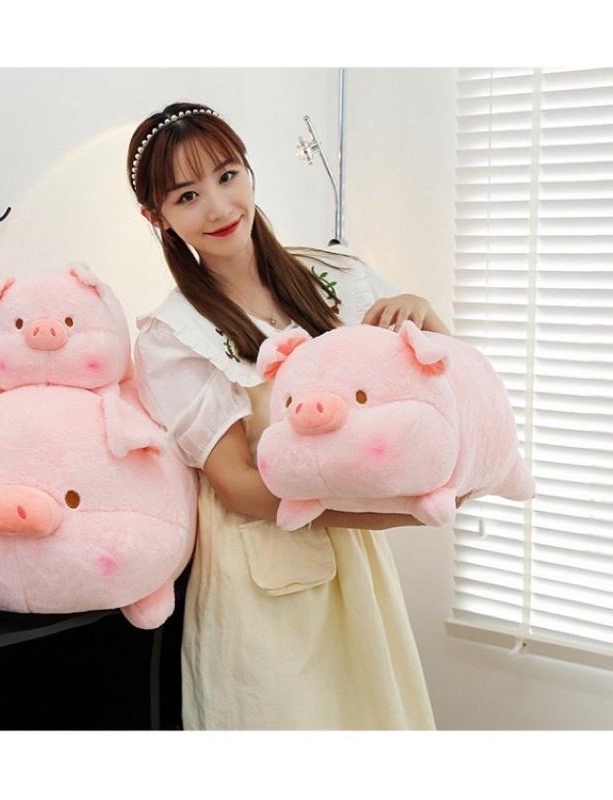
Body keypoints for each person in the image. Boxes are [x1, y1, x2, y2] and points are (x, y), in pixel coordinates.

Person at [128, 101, 451, 730]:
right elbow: (238, 486)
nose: (218, 207)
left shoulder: (339, 277)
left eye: (227, 176)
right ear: (157, 217)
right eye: (187, 196)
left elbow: (445, 395)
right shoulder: (174, 336)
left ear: (248, 170)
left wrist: (425, 314)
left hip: (357, 562)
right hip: (259, 580)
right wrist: (389, 513)